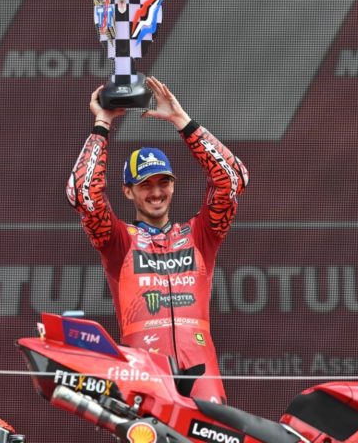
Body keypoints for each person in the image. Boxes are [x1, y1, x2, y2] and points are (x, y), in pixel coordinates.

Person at [66, 76, 248, 403]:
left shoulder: (200, 235)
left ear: (173, 186)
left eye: (163, 182)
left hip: (202, 376)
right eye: (145, 185)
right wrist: (102, 123)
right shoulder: (118, 242)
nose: (156, 192)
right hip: (143, 377)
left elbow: (233, 180)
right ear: (128, 192)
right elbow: (83, 194)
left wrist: (182, 121)